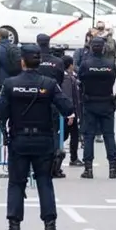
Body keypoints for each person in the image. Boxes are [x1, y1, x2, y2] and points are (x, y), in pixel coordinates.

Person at [0, 43, 75, 230]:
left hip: (19, 140)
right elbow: (67, 106)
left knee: (16, 184)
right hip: (43, 141)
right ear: (38, 62)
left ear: (22, 61)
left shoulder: (11, 84)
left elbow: (0, 112)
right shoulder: (48, 83)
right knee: (45, 183)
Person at [77, 35, 116, 179]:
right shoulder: (110, 64)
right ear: (103, 48)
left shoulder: (85, 64)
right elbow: (113, 79)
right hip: (106, 101)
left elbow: (81, 79)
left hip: (90, 102)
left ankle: (88, 169)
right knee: (109, 135)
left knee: (88, 136)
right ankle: (112, 168)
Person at [35, 34, 67, 174]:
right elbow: (60, 81)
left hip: (35, 101)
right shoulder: (57, 62)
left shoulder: (32, 59)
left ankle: (35, 162)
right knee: (52, 132)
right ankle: (53, 164)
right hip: (52, 100)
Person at [61, 55, 83, 168]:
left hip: (70, 111)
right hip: (69, 112)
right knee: (68, 135)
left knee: (71, 134)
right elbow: (68, 96)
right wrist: (70, 113)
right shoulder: (66, 79)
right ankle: (73, 158)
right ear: (70, 65)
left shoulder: (70, 76)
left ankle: (73, 157)